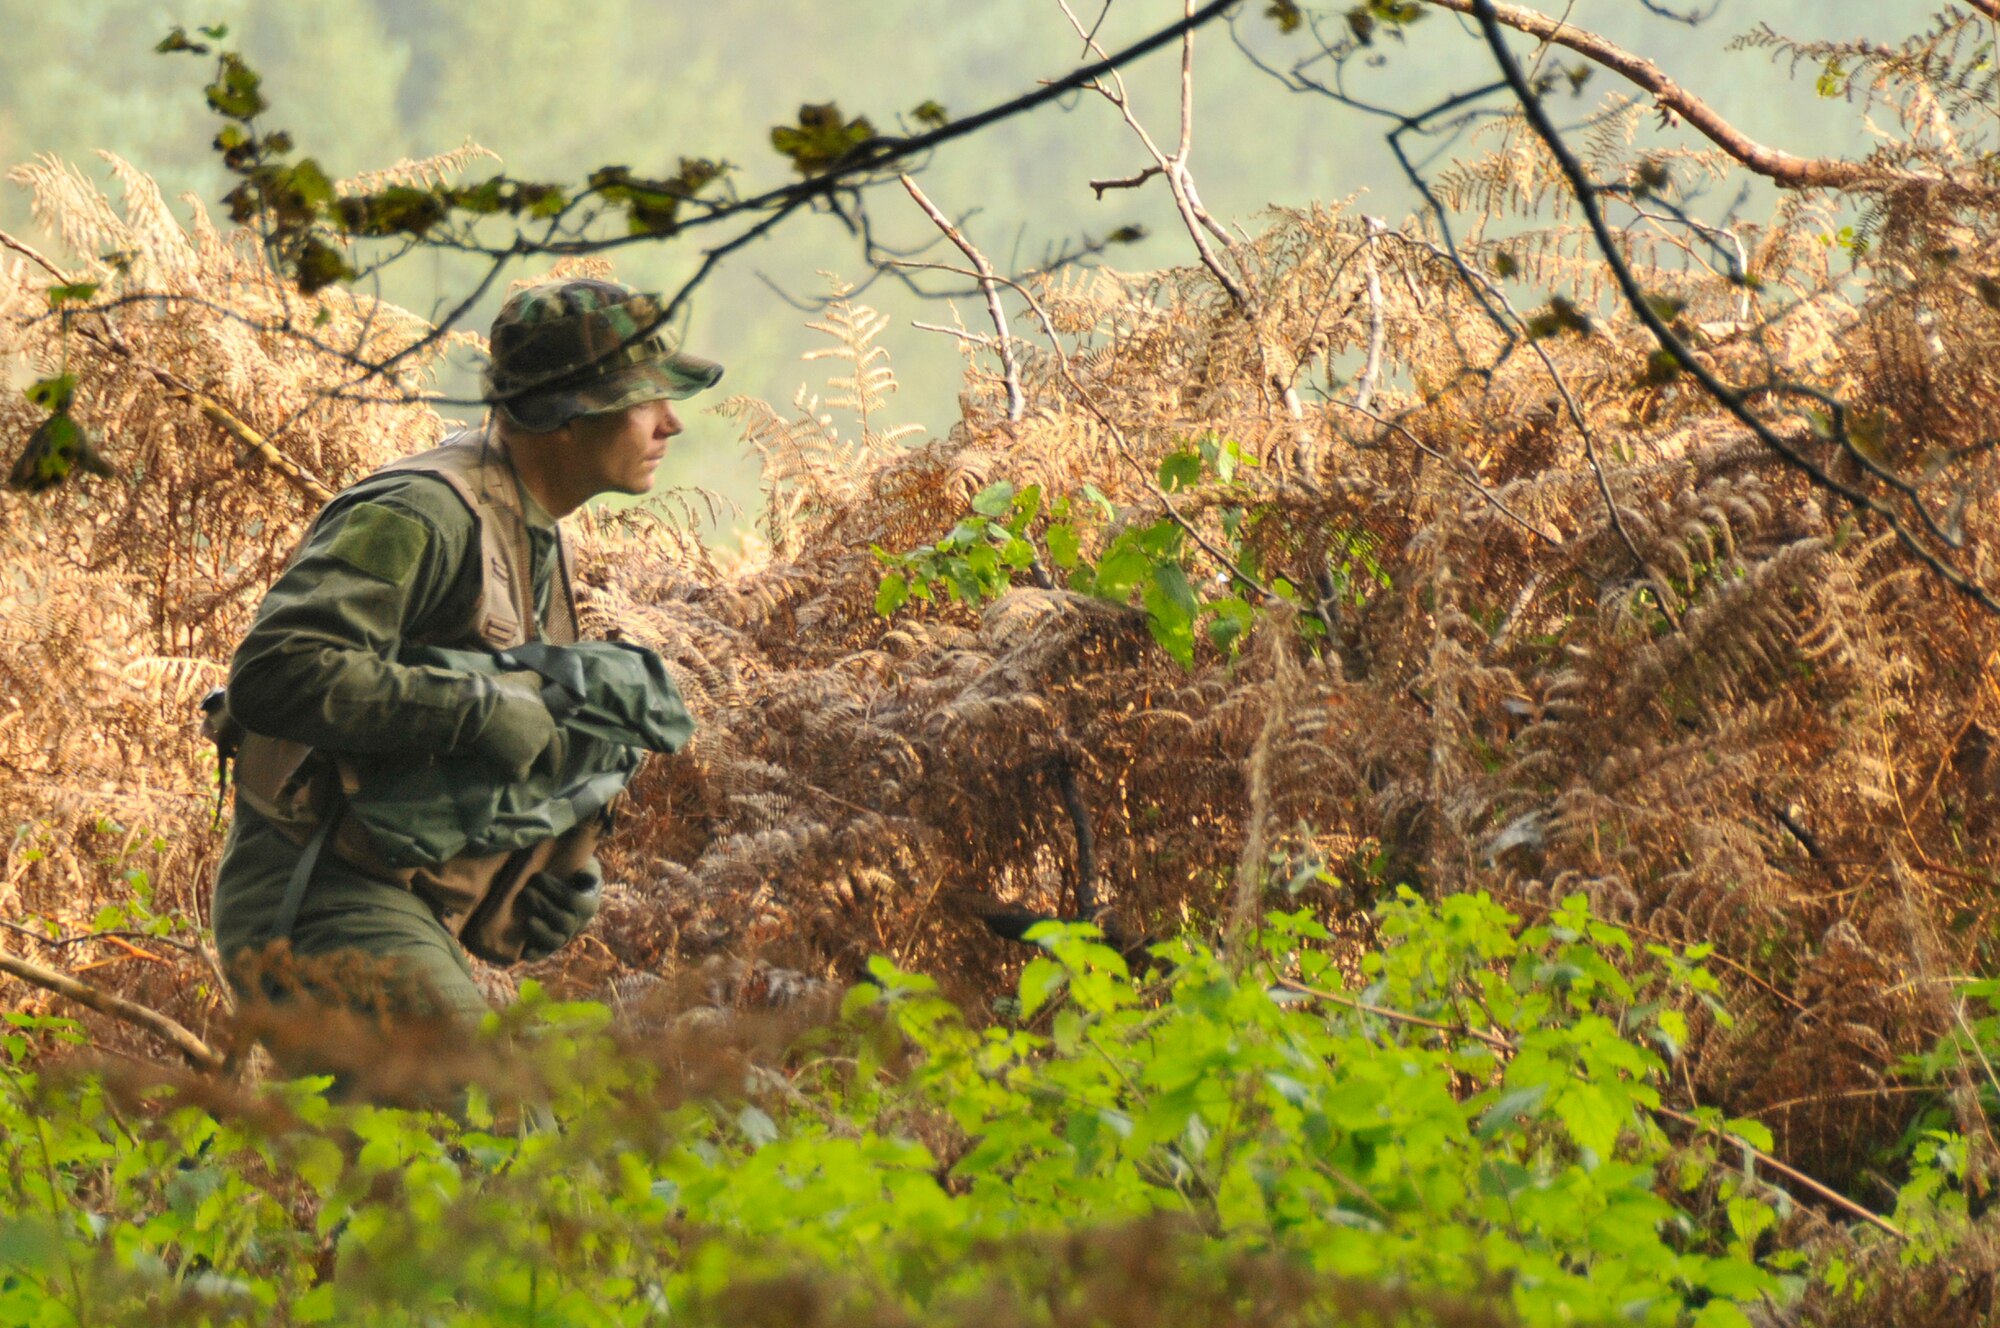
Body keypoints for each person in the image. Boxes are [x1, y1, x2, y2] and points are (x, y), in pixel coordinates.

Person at [209, 278, 722, 1062]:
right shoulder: (423, 512)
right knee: (487, 1117)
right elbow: (277, 670)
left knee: (506, 1127)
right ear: (564, 417)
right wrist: (479, 709)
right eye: (643, 399)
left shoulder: (529, 524)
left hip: (390, 900)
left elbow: (434, 758)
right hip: (317, 896)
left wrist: (536, 880)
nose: (670, 422)